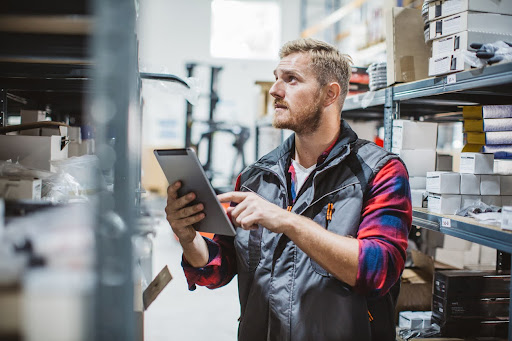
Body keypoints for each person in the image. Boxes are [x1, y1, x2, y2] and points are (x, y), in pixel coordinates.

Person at [165, 38, 412, 341]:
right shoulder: (256, 178)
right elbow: (218, 267)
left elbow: (379, 269)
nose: (275, 90)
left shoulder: (379, 172)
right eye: (276, 78)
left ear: (329, 94)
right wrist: (189, 239)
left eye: (291, 79)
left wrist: (288, 220)